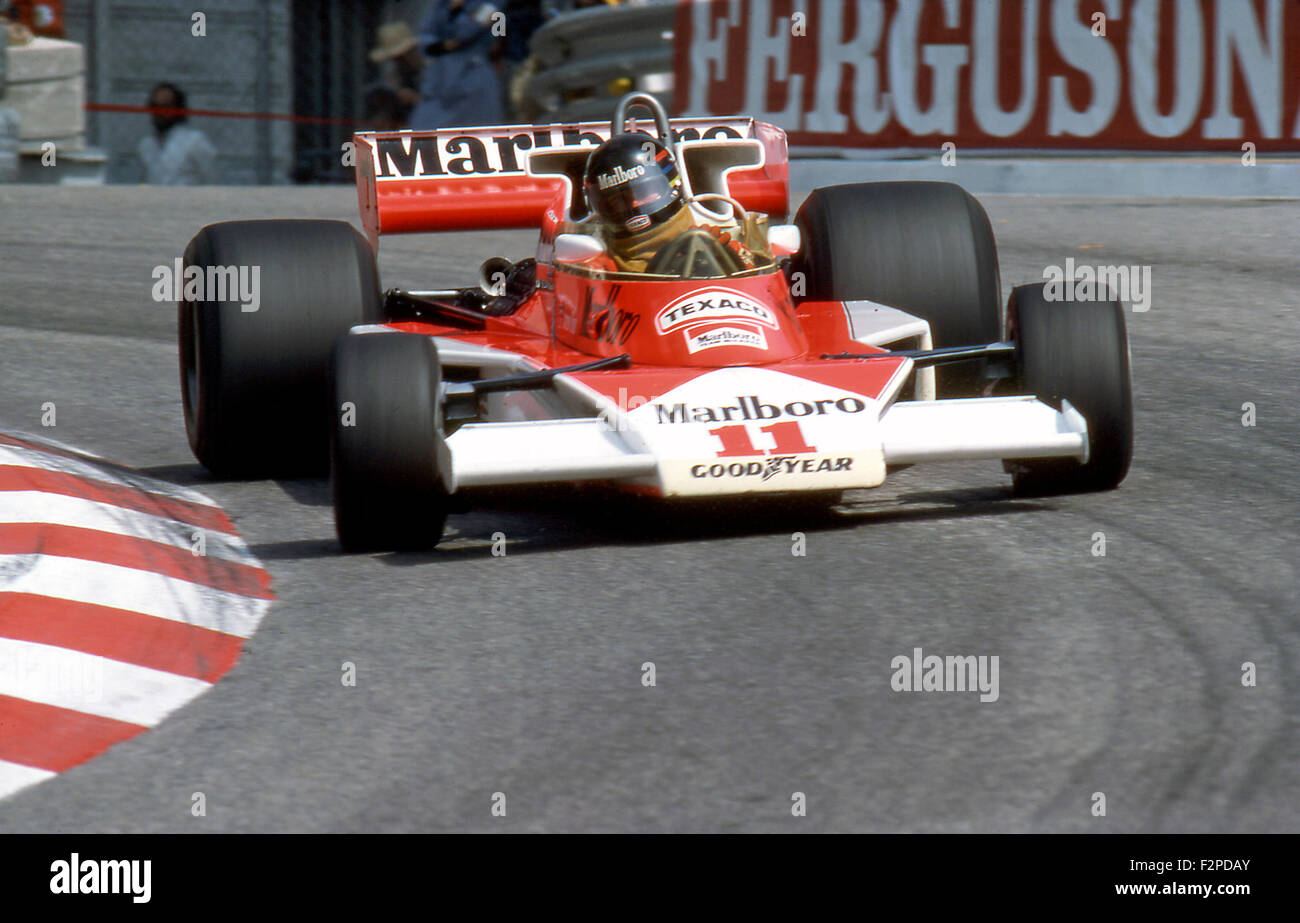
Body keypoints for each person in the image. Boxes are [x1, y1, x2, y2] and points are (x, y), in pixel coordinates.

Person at [581, 134, 760, 274]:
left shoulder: (725, 249)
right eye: (617, 201)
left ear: (672, 186)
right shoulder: (599, 270)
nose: (635, 204)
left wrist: (729, 267)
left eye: (644, 192)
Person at [408, 0, 503, 129]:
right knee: (424, 126)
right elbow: (425, 39)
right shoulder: (441, 5)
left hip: (473, 77)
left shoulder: (491, 4)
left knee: (479, 129)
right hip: (440, 79)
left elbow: (467, 31)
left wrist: (457, 10)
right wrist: (444, 44)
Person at [137, 82, 217, 185]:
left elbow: (210, 180)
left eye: (165, 106)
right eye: (155, 106)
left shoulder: (195, 141)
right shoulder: (146, 145)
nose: (159, 112)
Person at [368, 21, 424, 127]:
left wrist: (416, 99)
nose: (398, 61)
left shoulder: (434, 70)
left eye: (401, 57)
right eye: (395, 59)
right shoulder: (397, 72)